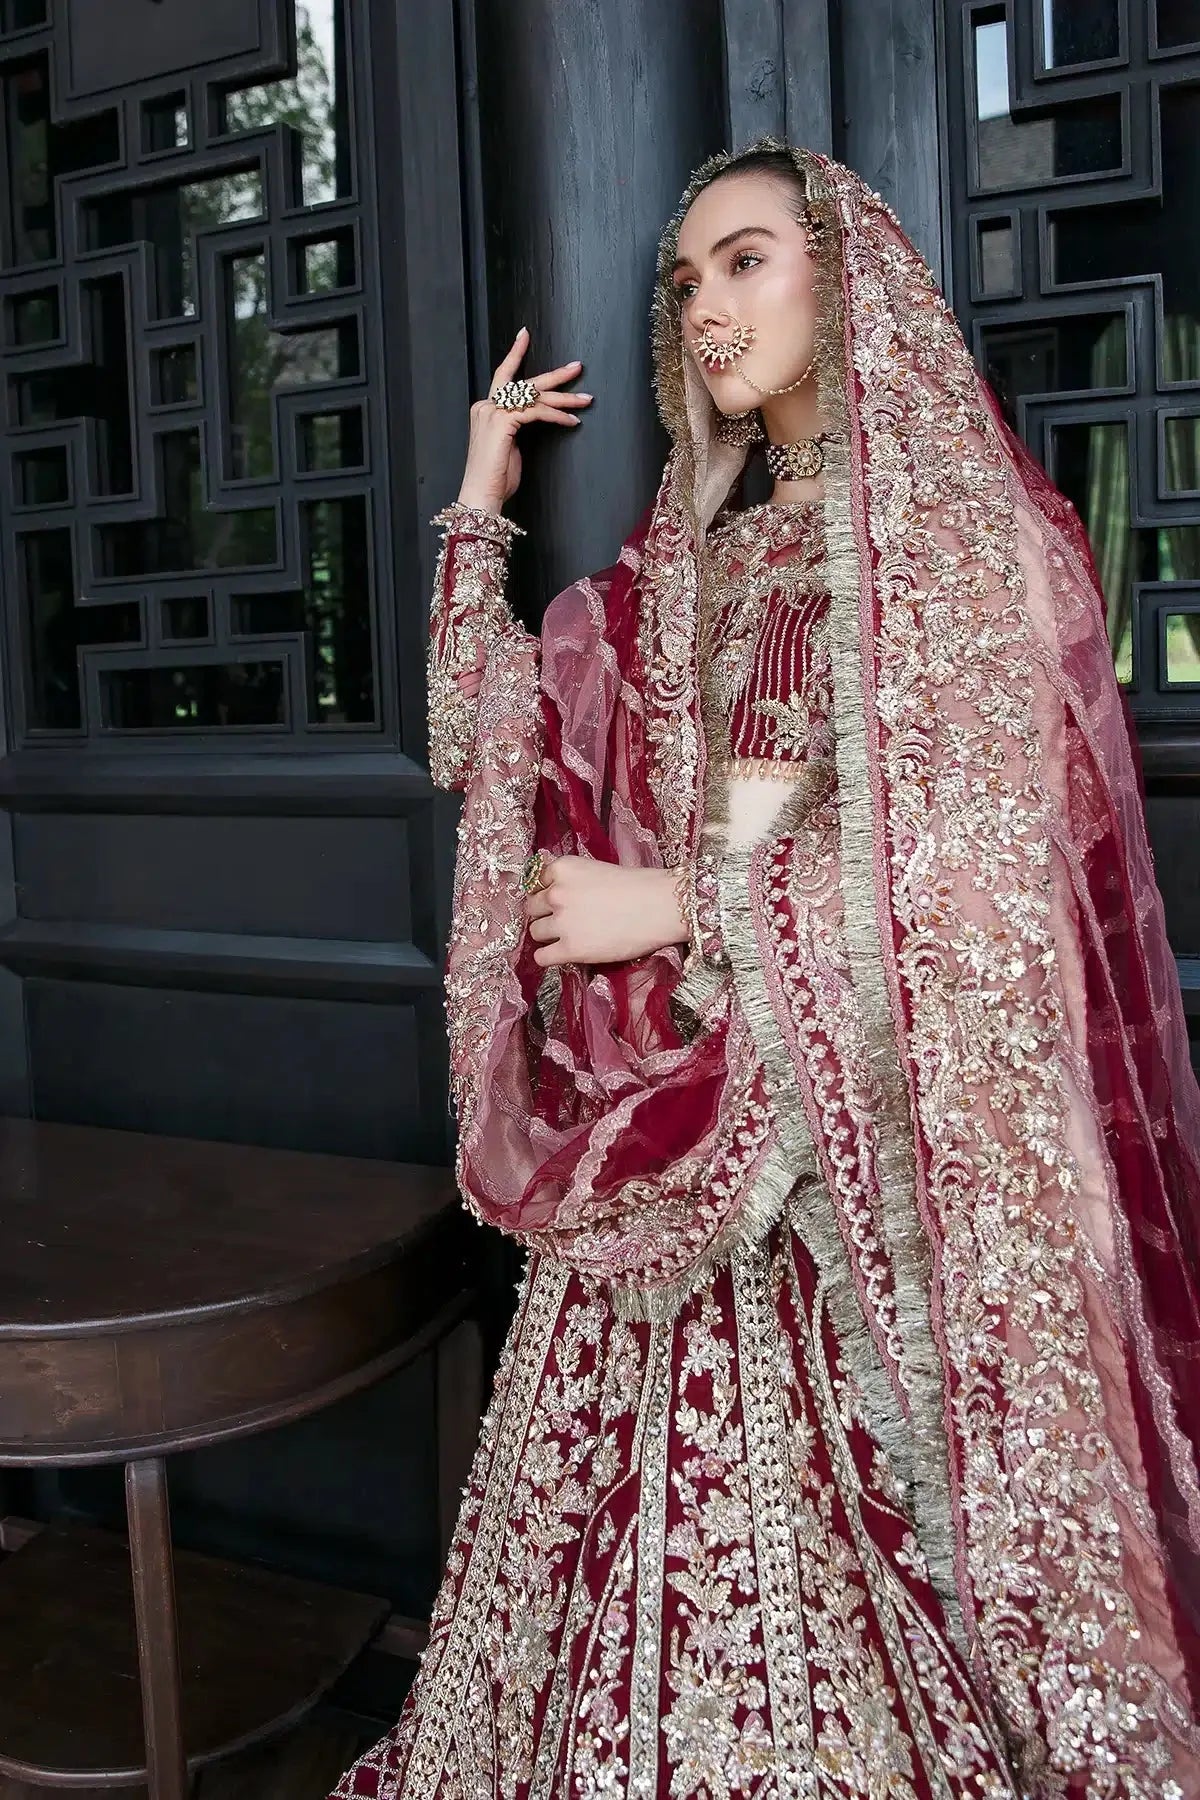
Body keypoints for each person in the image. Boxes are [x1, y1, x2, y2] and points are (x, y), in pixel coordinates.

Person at [331, 141, 1200, 1799]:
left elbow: (971, 882)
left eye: (746, 262)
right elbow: (484, 739)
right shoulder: (695, 571)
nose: (707, 309)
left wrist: (670, 906)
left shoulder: (963, 548)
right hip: (674, 1130)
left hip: (847, 1174)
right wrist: (479, 497)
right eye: (686, 282)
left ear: (843, 279)